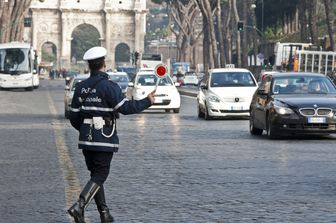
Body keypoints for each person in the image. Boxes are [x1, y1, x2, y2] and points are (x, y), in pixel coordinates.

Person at [67, 46, 155, 223]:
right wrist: (148, 101)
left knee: (95, 176)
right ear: (104, 64)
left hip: (86, 140)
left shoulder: (81, 87)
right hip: (104, 138)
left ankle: (104, 214)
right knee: (100, 175)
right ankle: (79, 205)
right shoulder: (110, 87)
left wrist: (85, 129)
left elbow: (73, 116)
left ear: (88, 66)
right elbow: (126, 108)